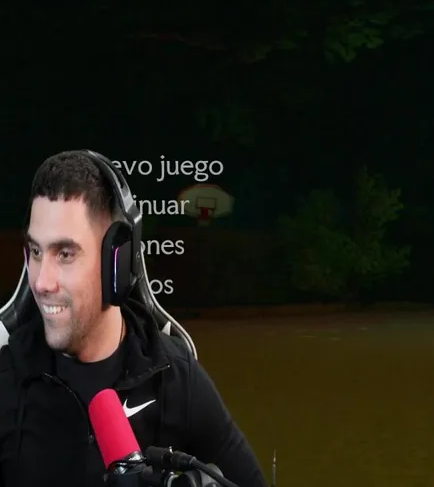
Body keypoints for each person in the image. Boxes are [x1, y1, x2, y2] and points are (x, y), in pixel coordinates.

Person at [0, 151, 268, 487]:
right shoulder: (7, 380)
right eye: (37, 252)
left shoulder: (175, 377)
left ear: (116, 262)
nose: (41, 282)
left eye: (65, 254)